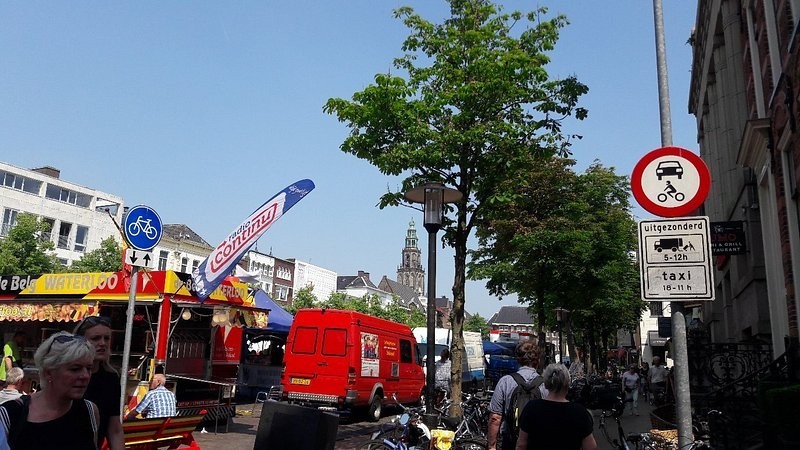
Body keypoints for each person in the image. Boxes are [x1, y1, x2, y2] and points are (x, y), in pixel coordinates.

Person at [0, 331, 99, 450]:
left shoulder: (89, 411)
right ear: (49, 372)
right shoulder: (10, 414)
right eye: (75, 369)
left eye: (89, 368)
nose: (85, 376)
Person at [515, 363, 597, 450]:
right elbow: (590, 447)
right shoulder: (580, 412)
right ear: (568, 384)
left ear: (546, 384)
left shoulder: (531, 408)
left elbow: (521, 444)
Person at [74, 315, 124, 450]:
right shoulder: (66, 374)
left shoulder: (111, 378)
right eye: (96, 338)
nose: (102, 343)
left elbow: (114, 429)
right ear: (79, 342)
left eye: (106, 338)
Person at [487, 340, 547, 450]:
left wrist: (491, 446)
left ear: (518, 360)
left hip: (511, 441)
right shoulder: (545, 385)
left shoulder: (505, 381)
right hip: (538, 442)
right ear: (537, 361)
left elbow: (495, 418)